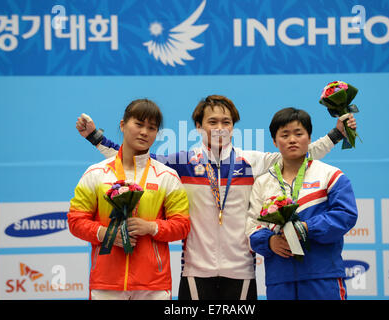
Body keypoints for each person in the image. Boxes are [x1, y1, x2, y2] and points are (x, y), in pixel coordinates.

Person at [75, 95, 357, 300]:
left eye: (226, 121)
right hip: (196, 270)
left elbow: (298, 153)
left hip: (241, 271)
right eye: (212, 121)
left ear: (233, 126)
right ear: (199, 126)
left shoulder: (252, 161)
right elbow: (135, 157)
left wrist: (335, 134)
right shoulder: (182, 163)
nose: (220, 127)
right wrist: (96, 138)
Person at [68, 99, 190, 300]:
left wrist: (151, 227)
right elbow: (75, 221)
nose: (144, 132)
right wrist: (106, 234)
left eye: (151, 128)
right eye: (139, 124)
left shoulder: (166, 176)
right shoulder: (96, 173)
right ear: (123, 125)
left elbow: (182, 226)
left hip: (154, 286)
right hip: (106, 283)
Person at [245, 107, 358, 300]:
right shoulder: (263, 183)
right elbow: (251, 229)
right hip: (279, 280)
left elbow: (345, 215)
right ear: (274, 141)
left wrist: (307, 227)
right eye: (285, 135)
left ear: (309, 137)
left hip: (323, 277)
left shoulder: (330, 175)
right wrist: (269, 242)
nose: (292, 140)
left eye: (299, 133)